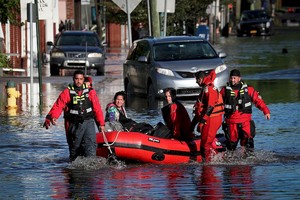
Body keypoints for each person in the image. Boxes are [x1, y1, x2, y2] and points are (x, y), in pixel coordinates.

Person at [43, 70, 105, 161]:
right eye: (76, 79)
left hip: (88, 121)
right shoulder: (67, 92)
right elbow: (58, 105)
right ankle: (74, 166)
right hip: (73, 124)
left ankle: (91, 165)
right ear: (73, 79)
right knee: (75, 147)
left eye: (80, 79)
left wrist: (101, 123)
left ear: (83, 79)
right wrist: (52, 117)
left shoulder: (90, 92)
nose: (79, 81)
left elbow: (97, 108)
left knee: (91, 144)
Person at [220, 69, 271, 152]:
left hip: (245, 122)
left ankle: (249, 160)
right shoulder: (224, 90)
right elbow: (217, 104)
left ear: (239, 78)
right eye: (231, 78)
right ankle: (230, 161)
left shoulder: (249, 89)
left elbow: (258, 101)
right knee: (231, 145)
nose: (232, 80)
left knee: (248, 143)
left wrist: (266, 111)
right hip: (231, 122)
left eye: (234, 78)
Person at [191, 69, 224, 162]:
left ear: (200, 79)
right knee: (204, 143)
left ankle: (207, 165)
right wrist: (193, 124)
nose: (196, 82)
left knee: (206, 144)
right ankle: (207, 161)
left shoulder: (209, 88)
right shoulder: (205, 88)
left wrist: (202, 121)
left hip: (212, 119)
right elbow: (201, 108)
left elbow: (210, 107)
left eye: (197, 79)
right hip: (209, 118)